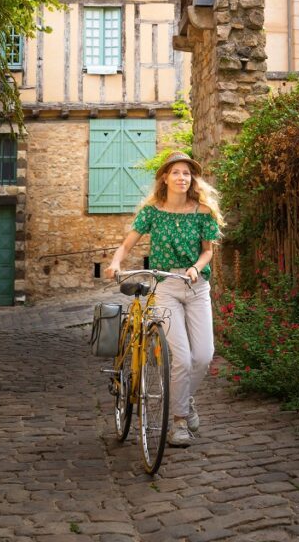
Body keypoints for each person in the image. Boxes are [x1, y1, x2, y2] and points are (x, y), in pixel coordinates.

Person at [106, 151, 224, 447]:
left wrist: (196, 267)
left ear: (191, 179)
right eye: (176, 173)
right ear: (165, 178)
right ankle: (179, 422)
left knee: (204, 356)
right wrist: (116, 262)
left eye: (187, 173)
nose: (182, 178)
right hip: (166, 288)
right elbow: (128, 243)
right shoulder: (153, 212)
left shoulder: (203, 211)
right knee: (181, 358)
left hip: (197, 287)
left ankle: (185, 400)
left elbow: (208, 250)